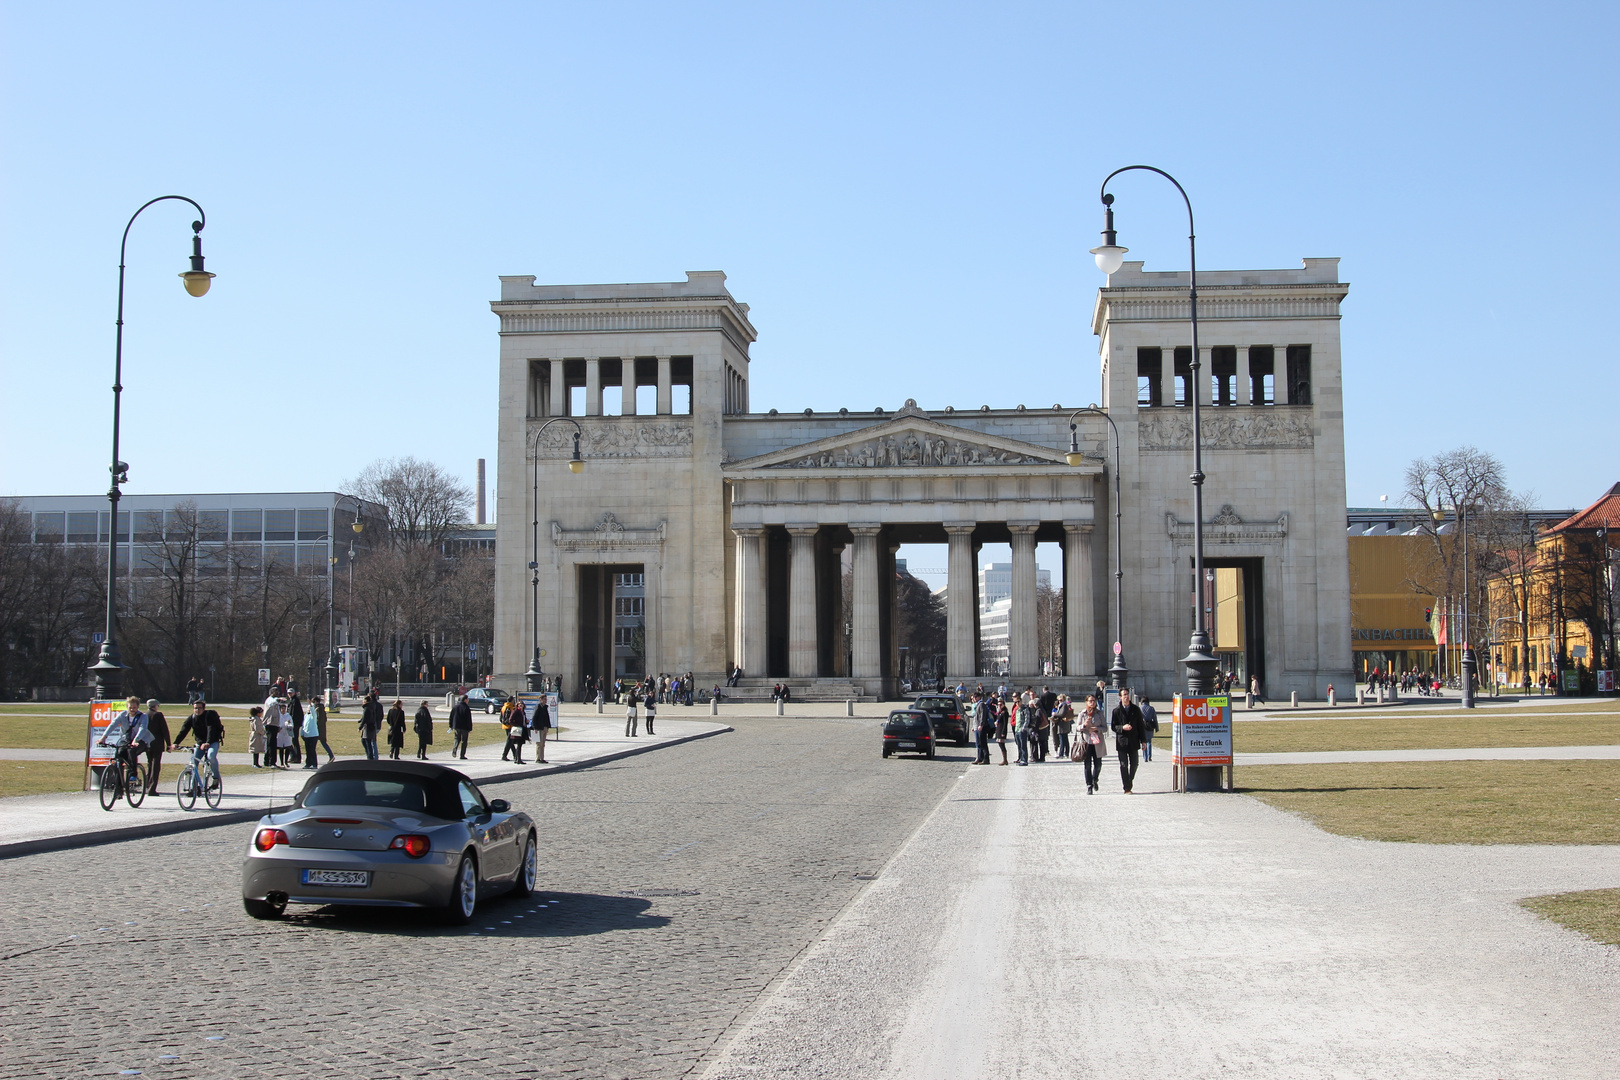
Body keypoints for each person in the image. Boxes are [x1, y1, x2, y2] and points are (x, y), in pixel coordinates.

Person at [172, 698, 224, 789]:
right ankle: (194, 788)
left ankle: (216, 778)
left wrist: (208, 742)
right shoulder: (192, 718)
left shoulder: (209, 716)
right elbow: (183, 731)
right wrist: (176, 743)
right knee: (193, 763)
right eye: (195, 708)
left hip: (212, 741)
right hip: (200, 744)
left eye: (199, 708)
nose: (197, 710)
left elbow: (210, 729)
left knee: (211, 756)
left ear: (203, 708)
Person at [98, 696, 152, 784]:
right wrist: (103, 738)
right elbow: (113, 725)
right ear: (127, 706)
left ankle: (133, 775)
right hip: (126, 739)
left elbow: (143, 729)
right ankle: (118, 784)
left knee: (131, 751)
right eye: (130, 707)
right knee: (119, 753)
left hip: (140, 740)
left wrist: (136, 740)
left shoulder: (143, 716)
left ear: (138, 707)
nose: (132, 709)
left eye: (134, 707)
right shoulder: (122, 715)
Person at [1111, 687, 1144, 793]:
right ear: (1120, 697)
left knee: (1134, 764)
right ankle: (1126, 787)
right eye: (1124, 695)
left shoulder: (1136, 709)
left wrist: (1143, 741)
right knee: (1123, 765)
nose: (1126, 696)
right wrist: (1122, 728)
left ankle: (1129, 781)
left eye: (1127, 694)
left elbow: (1141, 726)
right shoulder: (1116, 711)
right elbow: (1113, 727)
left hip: (1134, 741)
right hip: (1122, 742)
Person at [1075, 694, 1104, 794]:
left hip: (1097, 742)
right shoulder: (1082, 714)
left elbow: (1105, 728)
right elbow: (1077, 727)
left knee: (1098, 765)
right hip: (1086, 742)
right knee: (1087, 765)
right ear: (1086, 702)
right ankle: (1089, 785)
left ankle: (1095, 779)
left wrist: (1097, 729)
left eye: (1094, 701)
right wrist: (1084, 725)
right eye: (1090, 701)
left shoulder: (1100, 713)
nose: (1092, 703)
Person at [142, 698, 171, 794]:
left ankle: (147, 785)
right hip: (157, 743)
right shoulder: (158, 715)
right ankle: (152, 788)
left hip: (147, 743)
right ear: (155, 706)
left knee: (149, 764)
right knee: (156, 766)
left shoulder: (144, 715)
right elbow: (165, 730)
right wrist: (168, 744)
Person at [359, 690, 384, 760]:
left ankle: (372, 757)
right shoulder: (379, 705)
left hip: (371, 725)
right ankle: (374, 756)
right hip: (377, 725)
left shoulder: (370, 706)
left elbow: (367, 716)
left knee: (371, 741)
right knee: (372, 740)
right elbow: (381, 716)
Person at [262, 694, 285, 767]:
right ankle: (270, 761)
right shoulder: (270, 700)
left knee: (273, 744)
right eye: (276, 692)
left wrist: (279, 725)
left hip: (275, 724)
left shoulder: (276, 704)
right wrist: (278, 699)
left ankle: (270, 761)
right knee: (271, 744)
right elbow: (272, 702)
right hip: (270, 724)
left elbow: (279, 715)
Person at [448, 692, 473, 759]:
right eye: (467, 699)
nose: (468, 701)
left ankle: (454, 750)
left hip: (456, 726)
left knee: (457, 739)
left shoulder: (455, 707)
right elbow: (468, 719)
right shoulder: (466, 708)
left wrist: (451, 725)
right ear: (465, 700)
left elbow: (451, 717)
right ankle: (462, 755)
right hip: (464, 727)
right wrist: (470, 728)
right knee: (464, 741)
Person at [970, 690, 992, 765]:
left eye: (975, 697)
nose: (974, 699)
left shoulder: (981, 704)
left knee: (983, 743)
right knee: (979, 743)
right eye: (973, 698)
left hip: (981, 726)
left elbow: (982, 715)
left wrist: (981, 725)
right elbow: (975, 717)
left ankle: (986, 759)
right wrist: (974, 726)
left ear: (979, 697)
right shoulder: (977, 705)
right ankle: (979, 758)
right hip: (977, 726)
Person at [312, 697, 335, 763]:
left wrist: (315, 725)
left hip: (318, 729)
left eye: (313, 702)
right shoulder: (322, 708)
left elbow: (319, 720)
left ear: (316, 702)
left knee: (315, 743)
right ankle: (330, 755)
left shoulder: (318, 709)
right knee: (322, 742)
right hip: (321, 729)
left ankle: (312, 758)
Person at [1012, 693, 1033, 766]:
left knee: (1023, 746)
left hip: (1022, 730)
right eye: (1016, 702)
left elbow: (1027, 719)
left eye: (1018, 702)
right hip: (1017, 729)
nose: (1017, 703)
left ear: (1021, 701)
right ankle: (1021, 758)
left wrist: (1023, 728)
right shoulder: (1017, 710)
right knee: (1019, 745)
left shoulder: (1025, 709)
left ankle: (1024, 760)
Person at [1051, 694, 1073, 761]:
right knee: (1065, 739)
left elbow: (1062, 714)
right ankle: (1066, 753)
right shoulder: (1061, 705)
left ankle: (1061, 753)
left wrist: (1055, 714)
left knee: (1062, 739)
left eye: (1061, 699)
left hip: (1063, 724)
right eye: (1059, 699)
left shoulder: (1064, 705)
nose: (1060, 700)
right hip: (1061, 724)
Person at [300, 699, 321, 769]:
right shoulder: (306, 716)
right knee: (307, 750)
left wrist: (311, 705)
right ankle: (308, 764)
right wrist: (302, 733)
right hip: (307, 735)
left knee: (312, 750)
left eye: (310, 708)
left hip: (313, 735)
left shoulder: (313, 716)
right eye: (308, 708)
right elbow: (303, 725)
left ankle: (314, 764)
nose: (308, 710)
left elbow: (313, 712)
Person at [530, 696, 551, 764]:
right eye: (544, 699)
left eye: (546, 699)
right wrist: (535, 727)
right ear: (540, 700)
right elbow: (534, 718)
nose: (545, 700)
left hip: (544, 727)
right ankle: (538, 758)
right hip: (539, 728)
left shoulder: (545, 707)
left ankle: (542, 758)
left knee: (543, 744)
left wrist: (547, 727)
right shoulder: (538, 707)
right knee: (539, 744)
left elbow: (547, 718)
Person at [1140, 695, 1159, 762]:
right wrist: (1157, 728)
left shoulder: (1140, 708)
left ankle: (1145, 757)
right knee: (1149, 742)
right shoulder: (1151, 708)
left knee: (1143, 742)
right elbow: (1155, 719)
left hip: (1142, 727)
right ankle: (1149, 756)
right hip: (1150, 727)